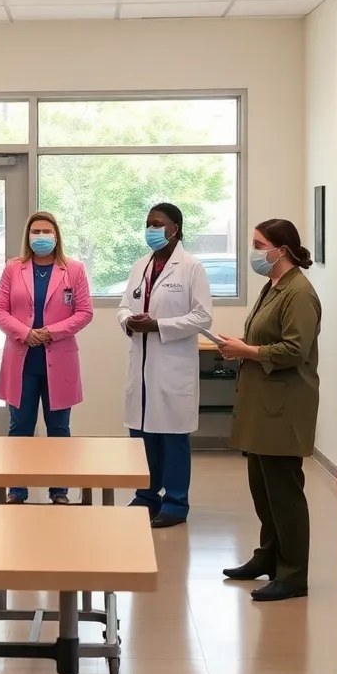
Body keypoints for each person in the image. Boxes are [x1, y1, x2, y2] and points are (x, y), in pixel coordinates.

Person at [218, 219, 321, 603]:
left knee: (285, 494)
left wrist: (247, 351)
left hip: (285, 406)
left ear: (281, 249)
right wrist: (244, 343)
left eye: (260, 245)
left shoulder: (299, 293)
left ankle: (293, 574)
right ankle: (269, 557)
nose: (255, 252)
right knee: (264, 489)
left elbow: (295, 349)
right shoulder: (273, 286)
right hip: (264, 404)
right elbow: (269, 337)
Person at [117, 203, 212, 528]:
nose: (151, 230)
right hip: (142, 366)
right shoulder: (140, 265)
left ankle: (175, 503)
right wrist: (130, 321)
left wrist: (157, 325)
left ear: (175, 228)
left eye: (157, 224)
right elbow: (123, 306)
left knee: (172, 439)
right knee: (142, 435)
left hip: (172, 367)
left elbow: (202, 317)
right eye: (148, 224)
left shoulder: (191, 268)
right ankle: (145, 496)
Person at [0, 211, 94, 504]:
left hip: (58, 360)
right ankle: (17, 489)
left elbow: (84, 313)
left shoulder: (73, 270)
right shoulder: (14, 269)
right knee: (19, 427)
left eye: (47, 232)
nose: (41, 237)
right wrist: (26, 332)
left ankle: (59, 490)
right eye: (35, 232)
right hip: (22, 360)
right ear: (28, 236)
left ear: (56, 235)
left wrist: (50, 331)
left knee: (59, 428)